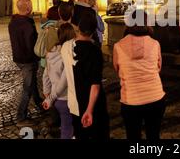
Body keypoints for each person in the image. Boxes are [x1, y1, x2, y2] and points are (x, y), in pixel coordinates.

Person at [113, 11, 166, 140]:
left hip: (131, 99)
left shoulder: (118, 46)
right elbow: (158, 68)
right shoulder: (155, 44)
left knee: (133, 135)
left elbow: (117, 69)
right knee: (153, 135)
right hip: (155, 96)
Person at [61, 13, 110, 139]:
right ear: (93, 31)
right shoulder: (95, 52)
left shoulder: (66, 47)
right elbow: (95, 84)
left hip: (75, 102)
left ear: (79, 28)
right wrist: (89, 109)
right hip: (93, 104)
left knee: (80, 134)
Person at [8, 0, 43, 126]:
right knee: (27, 88)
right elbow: (31, 44)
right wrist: (37, 55)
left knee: (32, 82)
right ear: (28, 7)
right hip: (28, 59)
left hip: (18, 57)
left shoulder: (13, 22)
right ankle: (21, 117)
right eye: (31, 5)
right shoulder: (27, 24)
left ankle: (40, 104)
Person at [42, 23, 76, 139]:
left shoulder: (51, 52)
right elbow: (64, 80)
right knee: (68, 129)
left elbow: (45, 75)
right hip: (65, 98)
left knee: (64, 125)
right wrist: (51, 97)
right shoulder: (67, 54)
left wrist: (47, 93)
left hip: (56, 99)